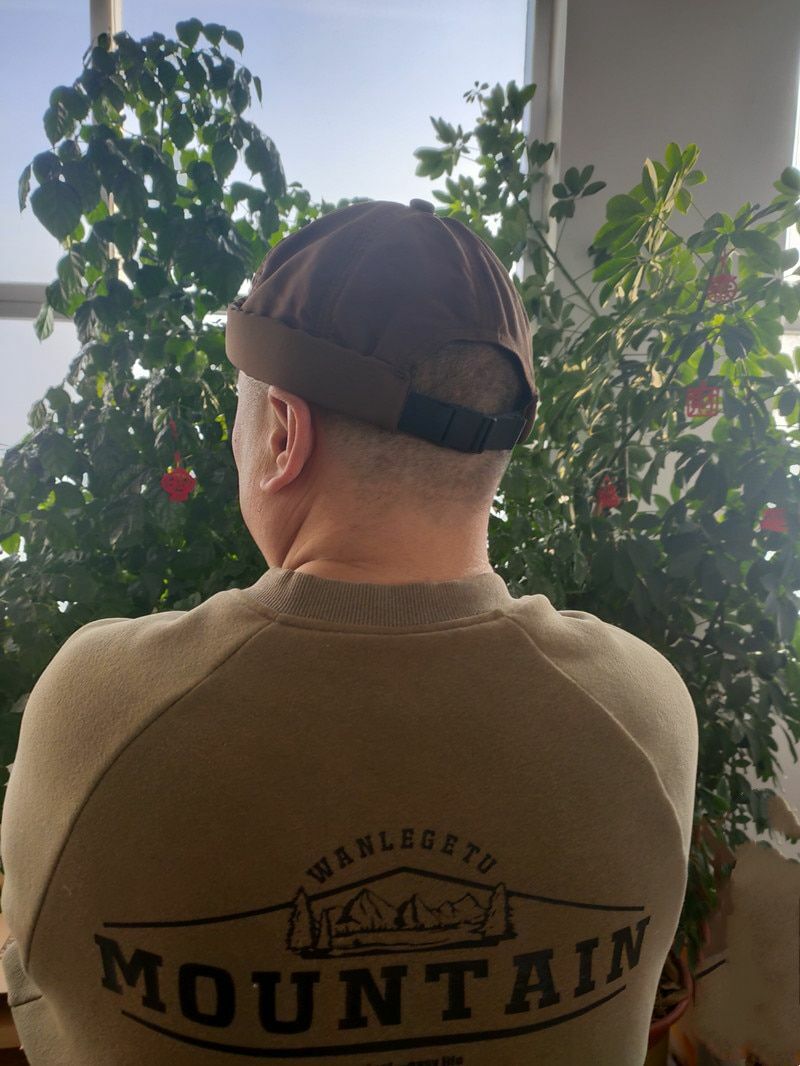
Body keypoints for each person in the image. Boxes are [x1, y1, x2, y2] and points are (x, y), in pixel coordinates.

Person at [0, 199, 698, 1065]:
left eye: (240, 413)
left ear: (283, 435)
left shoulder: (98, 712)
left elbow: (42, 986)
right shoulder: (644, 711)